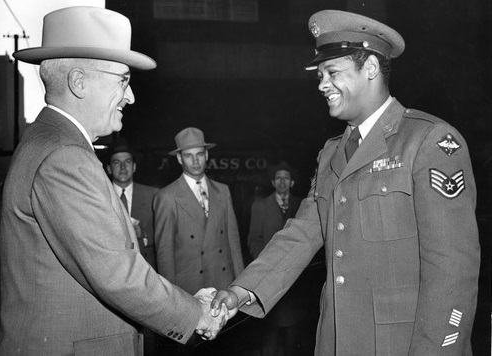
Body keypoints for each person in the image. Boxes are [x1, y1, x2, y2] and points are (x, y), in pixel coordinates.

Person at [211, 9, 481, 355]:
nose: (322, 84)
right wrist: (240, 291)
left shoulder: (428, 142)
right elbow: (301, 234)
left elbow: (452, 273)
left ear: (370, 68)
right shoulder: (331, 154)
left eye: (332, 72)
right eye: (320, 74)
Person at [0, 7, 228, 355]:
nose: (131, 96)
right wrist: (196, 314)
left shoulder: (49, 143)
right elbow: (116, 274)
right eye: (123, 80)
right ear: (79, 82)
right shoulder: (64, 157)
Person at [153, 127, 244, 295]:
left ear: (207, 155)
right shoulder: (167, 197)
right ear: (180, 159)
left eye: (200, 154)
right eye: (189, 155)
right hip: (190, 288)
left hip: (223, 283)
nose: (195, 161)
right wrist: (171, 298)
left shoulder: (223, 191)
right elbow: (165, 255)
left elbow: (234, 243)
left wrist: (240, 288)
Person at [247, 161, 303, 356]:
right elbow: (253, 240)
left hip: (296, 280)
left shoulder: (303, 205)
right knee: (270, 330)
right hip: (269, 279)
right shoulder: (260, 206)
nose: (282, 181)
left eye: (286, 178)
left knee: (293, 331)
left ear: (292, 182)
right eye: (278, 178)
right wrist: (267, 263)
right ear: (272, 182)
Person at [107, 138, 159, 270]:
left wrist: (144, 234)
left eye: (128, 162)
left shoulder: (154, 196)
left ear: (134, 167)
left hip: (147, 268)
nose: (123, 167)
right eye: (117, 162)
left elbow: (165, 238)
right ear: (109, 169)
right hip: (111, 268)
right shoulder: (99, 196)